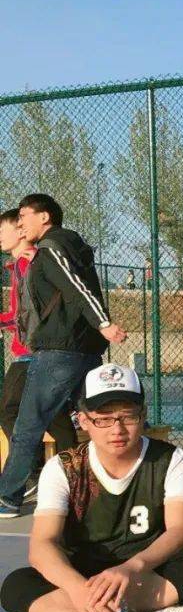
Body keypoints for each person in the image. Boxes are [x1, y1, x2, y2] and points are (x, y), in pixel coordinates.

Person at [0, 364, 183, 612]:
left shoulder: (171, 459)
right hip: (82, 574)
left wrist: (130, 568)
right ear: (83, 420)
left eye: (128, 416)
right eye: (103, 419)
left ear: (143, 416)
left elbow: (178, 532)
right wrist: (78, 590)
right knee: (16, 585)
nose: (117, 429)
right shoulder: (63, 467)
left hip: (141, 574)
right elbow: (42, 544)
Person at [0, 194, 127, 518]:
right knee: (94, 419)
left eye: (24, 215)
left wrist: (104, 323)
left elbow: (77, 289)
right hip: (83, 349)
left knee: (27, 426)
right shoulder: (65, 248)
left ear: (44, 217)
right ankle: (101, 490)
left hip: (59, 350)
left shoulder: (52, 247)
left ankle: (9, 498)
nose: (20, 222)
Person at [0, 209, 77, 491]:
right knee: (54, 416)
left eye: (2, 230)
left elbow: (27, 314)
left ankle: (30, 471)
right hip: (44, 349)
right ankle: (75, 475)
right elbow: (23, 314)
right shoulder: (23, 264)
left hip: (34, 352)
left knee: (8, 409)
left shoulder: (27, 263)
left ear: (20, 231)